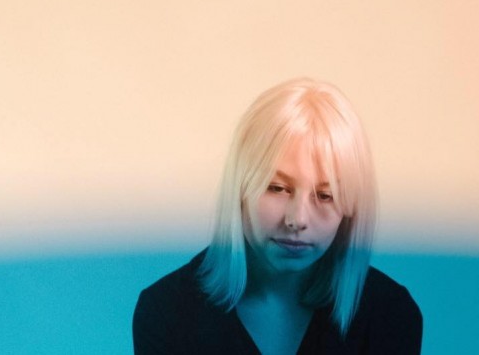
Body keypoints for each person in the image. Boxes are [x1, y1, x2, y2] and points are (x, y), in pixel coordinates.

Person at [133, 78, 422, 354]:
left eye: (325, 195)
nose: (297, 219)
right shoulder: (166, 311)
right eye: (277, 188)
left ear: (352, 206)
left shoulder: (390, 314)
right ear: (241, 188)